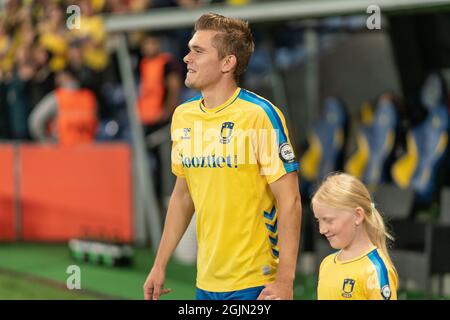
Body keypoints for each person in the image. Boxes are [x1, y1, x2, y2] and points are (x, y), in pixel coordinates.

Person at [143, 12, 302, 300]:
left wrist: (285, 280)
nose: (186, 58)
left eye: (198, 51)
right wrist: (159, 264)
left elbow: (290, 200)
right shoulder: (183, 116)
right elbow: (182, 196)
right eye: (190, 48)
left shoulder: (259, 115)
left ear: (228, 63)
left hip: (257, 283)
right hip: (206, 282)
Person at [311, 172, 398, 300]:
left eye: (328, 220)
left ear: (357, 216)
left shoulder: (374, 271)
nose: (321, 230)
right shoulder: (326, 264)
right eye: (319, 221)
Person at [29, 67, 98, 146]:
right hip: (88, 149)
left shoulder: (56, 97)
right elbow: (96, 122)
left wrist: (46, 142)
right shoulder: (89, 97)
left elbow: (35, 121)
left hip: (63, 150)